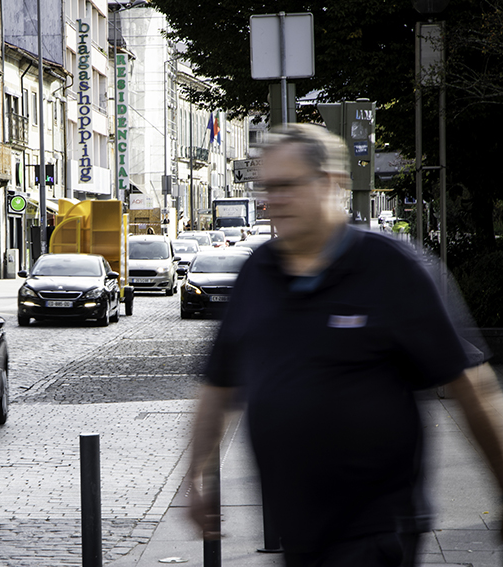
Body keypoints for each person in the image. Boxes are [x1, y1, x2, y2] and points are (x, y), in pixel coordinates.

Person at [188, 123, 503, 567]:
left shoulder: (391, 267)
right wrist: (196, 474)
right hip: (298, 531)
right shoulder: (258, 271)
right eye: (268, 188)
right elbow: (218, 384)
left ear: (332, 183)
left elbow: (470, 386)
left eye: (287, 186)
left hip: (375, 529)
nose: (272, 200)